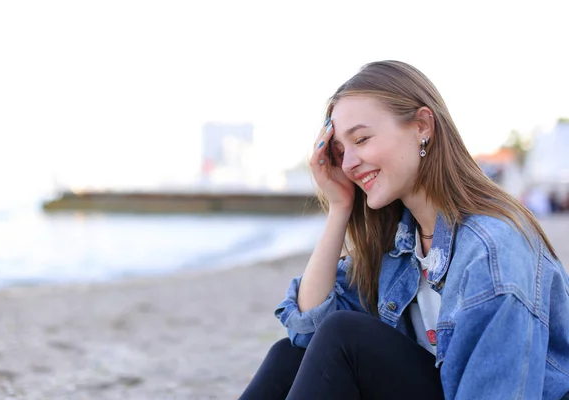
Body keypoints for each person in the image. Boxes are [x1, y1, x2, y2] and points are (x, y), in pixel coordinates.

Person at [240, 60, 569, 400]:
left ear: (423, 126)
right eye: (340, 152)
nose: (349, 163)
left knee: (344, 334)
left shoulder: (492, 252)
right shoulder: (403, 243)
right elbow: (307, 334)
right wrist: (339, 208)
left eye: (361, 139)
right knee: (287, 357)